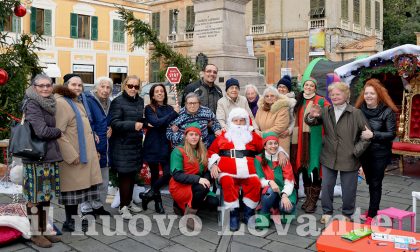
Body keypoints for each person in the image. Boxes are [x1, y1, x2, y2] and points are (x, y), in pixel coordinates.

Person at [208, 108, 288, 231]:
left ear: (246, 122)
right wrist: (213, 164)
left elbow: (268, 145)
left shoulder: (253, 136)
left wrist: (281, 152)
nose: (239, 123)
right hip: (227, 171)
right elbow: (211, 151)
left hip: (250, 172)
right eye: (236, 121)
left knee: (255, 182)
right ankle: (233, 215)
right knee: (228, 182)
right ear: (231, 122)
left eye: (242, 121)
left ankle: (248, 214)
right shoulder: (224, 135)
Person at [306, 82, 371, 224]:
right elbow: (311, 121)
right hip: (329, 155)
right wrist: (311, 116)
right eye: (332, 94)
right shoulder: (325, 110)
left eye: (338, 94)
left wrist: (355, 151)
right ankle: (326, 212)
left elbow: (367, 136)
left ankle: (347, 214)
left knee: (349, 189)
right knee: (327, 186)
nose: (334, 97)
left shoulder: (356, 113)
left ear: (346, 95)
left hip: (349, 158)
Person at [54, 74, 103, 232]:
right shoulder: (62, 103)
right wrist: (70, 155)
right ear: (66, 86)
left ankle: (72, 220)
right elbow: (58, 132)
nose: (77, 88)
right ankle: (69, 222)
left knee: (77, 190)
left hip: (82, 155)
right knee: (71, 190)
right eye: (73, 84)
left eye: (79, 85)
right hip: (72, 156)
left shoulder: (76, 102)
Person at [22, 74, 62, 247]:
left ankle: (44, 229)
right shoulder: (32, 104)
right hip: (35, 157)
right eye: (41, 85)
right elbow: (42, 131)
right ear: (34, 87)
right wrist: (58, 131)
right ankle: (35, 233)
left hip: (48, 155)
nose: (45, 88)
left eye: (48, 85)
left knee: (46, 195)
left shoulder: (49, 103)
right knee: (34, 196)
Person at [354, 78, 397, 225]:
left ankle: (372, 214)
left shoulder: (387, 111)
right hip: (365, 152)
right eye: (366, 93)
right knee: (370, 182)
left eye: (372, 93)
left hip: (380, 153)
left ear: (378, 95)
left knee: (375, 183)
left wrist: (373, 135)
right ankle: (373, 209)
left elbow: (391, 134)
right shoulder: (359, 110)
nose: (369, 96)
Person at [290, 78, 330, 214]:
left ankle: (313, 201)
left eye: (311, 85)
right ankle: (308, 199)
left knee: (314, 168)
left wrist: (319, 116)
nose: (308, 87)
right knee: (303, 167)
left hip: (315, 138)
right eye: (306, 85)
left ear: (315, 88)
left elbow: (328, 114)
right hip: (301, 138)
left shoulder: (321, 100)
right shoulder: (299, 100)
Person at [109, 75, 144, 220]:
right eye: (130, 86)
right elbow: (114, 123)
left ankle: (127, 203)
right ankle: (123, 207)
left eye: (136, 87)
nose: (133, 89)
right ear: (124, 86)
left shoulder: (140, 101)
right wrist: (132, 125)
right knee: (124, 175)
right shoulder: (118, 101)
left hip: (135, 143)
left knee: (132, 174)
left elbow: (139, 119)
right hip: (122, 144)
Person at [141, 83, 179, 214]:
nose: (159, 93)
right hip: (152, 144)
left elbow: (170, 123)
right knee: (155, 174)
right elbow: (157, 123)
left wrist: (174, 124)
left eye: (161, 91)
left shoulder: (169, 108)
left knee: (168, 173)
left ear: (165, 93)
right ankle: (158, 203)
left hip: (165, 144)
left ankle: (149, 194)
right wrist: (172, 115)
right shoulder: (149, 108)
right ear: (152, 94)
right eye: (156, 91)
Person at [169, 122, 216, 230]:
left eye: (196, 135)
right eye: (191, 134)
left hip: (196, 184)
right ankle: (189, 216)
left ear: (200, 137)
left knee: (213, 202)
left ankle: (183, 206)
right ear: (186, 136)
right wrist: (199, 179)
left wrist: (208, 176)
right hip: (180, 185)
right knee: (202, 188)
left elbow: (206, 171)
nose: (194, 137)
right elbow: (177, 175)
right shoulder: (178, 151)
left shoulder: (203, 151)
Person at [81, 77, 113, 218]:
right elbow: (86, 121)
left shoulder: (109, 103)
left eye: (108, 88)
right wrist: (92, 137)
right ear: (96, 88)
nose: (105, 90)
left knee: (103, 179)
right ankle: (86, 208)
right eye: (103, 87)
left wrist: (112, 127)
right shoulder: (88, 100)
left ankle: (98, 205)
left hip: (105, 146)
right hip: (93, 145)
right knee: (89, 179)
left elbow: (109, 120)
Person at [254, 132, 297, 230]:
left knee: (287, 208)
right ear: (264, 146)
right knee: (269, 192)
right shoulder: (258, 159)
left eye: (275, 143)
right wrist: (270, 182)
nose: (273, 146)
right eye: (270, 143)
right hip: (269, 190)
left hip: (284, 191)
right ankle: (264, 215)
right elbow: (259, 180)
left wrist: (285, 195)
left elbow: (289, 181)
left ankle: (278, 209)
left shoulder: (283, 159)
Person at [255, 87, 290, 154]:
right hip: (265, 142)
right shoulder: (261, 109)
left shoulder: (282, 108)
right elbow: (256, 123)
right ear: (264, 98)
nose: (269, 98)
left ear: (276, 97)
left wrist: (262, 134)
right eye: (267, 96)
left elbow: (280, 127)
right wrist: (256, 130)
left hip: (279, 142)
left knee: (278, 163)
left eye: (272, 96)